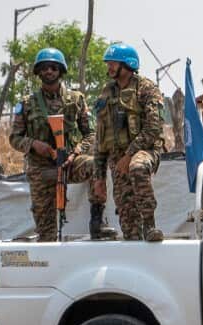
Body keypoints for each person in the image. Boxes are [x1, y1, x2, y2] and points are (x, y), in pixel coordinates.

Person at [9, 47, 116, 242]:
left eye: (53, 67)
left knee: (95, 165)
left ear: (60, 70)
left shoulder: (75, 99)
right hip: (42, 169)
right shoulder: (27, 103)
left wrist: (75, 153)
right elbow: (14, 138)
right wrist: (34, 144)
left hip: (70, 162)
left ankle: (97, 222)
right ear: (38, 72)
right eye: (44, 68)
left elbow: (90, 134)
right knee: (46, 234)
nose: (49, 71)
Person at [94, 42, 166, 242]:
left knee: (137, 166)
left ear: (127, 65)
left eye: (113, 63)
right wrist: (99, 177)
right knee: (128, 223)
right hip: (117, 160)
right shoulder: (106, 93)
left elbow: (153, 128)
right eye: (108, 63)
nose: (109, 67)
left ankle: (150, 225)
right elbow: (100, 137)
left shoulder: (146, 89)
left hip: (145, 151)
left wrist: (129, 154)